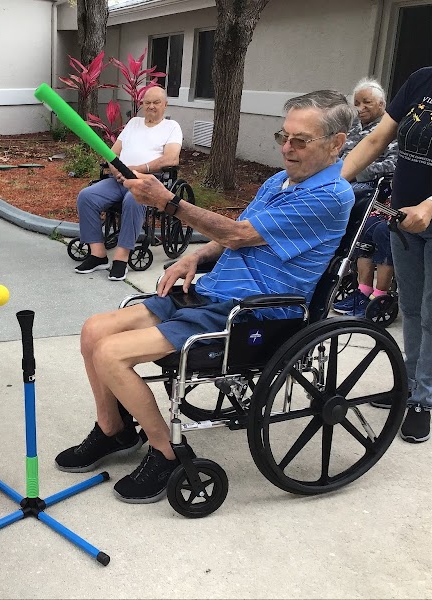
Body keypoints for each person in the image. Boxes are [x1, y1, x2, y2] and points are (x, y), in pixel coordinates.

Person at [56, 90, 355, 503]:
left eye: (299, 141)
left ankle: (168, 453)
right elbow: (235, 234)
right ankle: (114, 431)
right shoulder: (279, 180)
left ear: (336, 143)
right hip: (214, 294)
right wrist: (195, 255)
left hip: (252, 313)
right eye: (283, 136)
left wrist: (168, 202)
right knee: (94, 331)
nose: (287, 148)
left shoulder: (330, 196)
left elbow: (239, 234)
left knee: (112, 353)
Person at [342, 66, 432, 444]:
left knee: (431, 314)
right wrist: (331, 180)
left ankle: (423, 401)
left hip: (427, 212)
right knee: (411, 308)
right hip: (403, 217)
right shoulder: (421, 79)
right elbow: (378, 138)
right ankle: (410, 384)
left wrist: (430, 204)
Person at [74, 86, 182, 281]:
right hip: (120, 179)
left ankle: (121, 258)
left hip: (149, 182)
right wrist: (117, 170)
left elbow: (171, 159)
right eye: (147, 102)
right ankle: (97, 254)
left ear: (165, 105)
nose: (151, 106)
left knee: (134, 200)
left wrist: (136, 171)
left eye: (156, 102)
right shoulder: (133, 123)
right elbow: (112, 154)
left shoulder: (172, 127)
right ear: (142, 105)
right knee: (87, 196)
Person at [334, 77, 398, 316]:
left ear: (381, 104)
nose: (360, 108)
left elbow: (392, 164)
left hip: (372, 187)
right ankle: (357, 286)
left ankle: (371, 294)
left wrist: (354, 173)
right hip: (347, 181)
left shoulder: (390, 129)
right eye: (357, 103)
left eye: (366, 103)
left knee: (339, 199)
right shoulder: (352, 126)